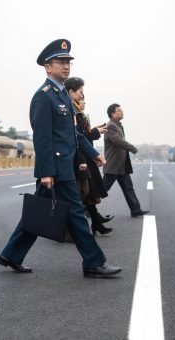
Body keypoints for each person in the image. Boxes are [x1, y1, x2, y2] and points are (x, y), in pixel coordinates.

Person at [0, 39, 121, 278]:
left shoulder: (63, 95)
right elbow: (42, 138)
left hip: (64, 165)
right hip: (55, 168)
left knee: (38, 213)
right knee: (75, 214)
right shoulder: (43, 96)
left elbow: (73, 134)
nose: (66, 66)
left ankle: (11, 254)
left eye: (68, 62)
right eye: (60, 62)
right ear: (47, 67)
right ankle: (94, 263)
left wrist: (94, 153)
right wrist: (46, 171)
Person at [64, 77, 113, 235]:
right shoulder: (71, 109)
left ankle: (94, 223)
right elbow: (79, 135)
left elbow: (81, 135)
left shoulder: (76, 109)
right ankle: (73, 229)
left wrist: (94, 132)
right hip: (78, 157)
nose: (82, 96)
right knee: (82, 193)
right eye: (80, 93)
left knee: (86, 192)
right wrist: (95, 132)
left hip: (84, 156)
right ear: (71, 92)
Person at [102, 103, 148, 217]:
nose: (122, 111)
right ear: (112, 113)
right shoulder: (111, 126)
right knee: (102, 189)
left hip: (121, 165)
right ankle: (87, 208)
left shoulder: (118, 125)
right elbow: (118, 141)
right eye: (119, 110)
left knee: (128, 188)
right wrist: (132, 148)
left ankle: (135, 210)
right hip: (113, 165)